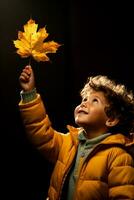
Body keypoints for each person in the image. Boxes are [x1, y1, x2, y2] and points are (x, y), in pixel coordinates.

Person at [18, 65, 134, 200]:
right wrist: (29, 93)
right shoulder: (67, 143)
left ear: (111, 119)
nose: (84, 103)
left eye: (94, 101)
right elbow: (40, 133)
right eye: (84, 99)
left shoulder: (118, 157)